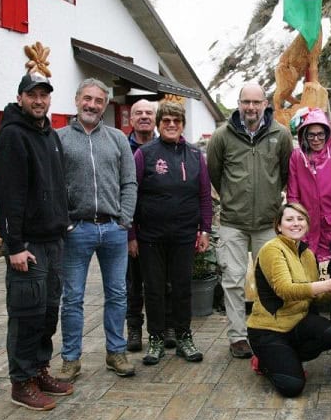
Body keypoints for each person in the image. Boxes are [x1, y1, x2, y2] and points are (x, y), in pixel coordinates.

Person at [0, 73, 73, 411]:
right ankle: (21, 381)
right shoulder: (13, 136)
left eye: (44, 95)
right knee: (26, 313)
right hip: (28, 246)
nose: (39, 101)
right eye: (33, 95)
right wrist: (14, 246)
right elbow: (7, 196)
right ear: (20, 97)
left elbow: (56, 184)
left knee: (47, 311)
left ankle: (40, 370)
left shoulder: (49, 135)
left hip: (53, 241)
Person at [56, 78, 137, 381]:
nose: (92, 105)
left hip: (113, 229)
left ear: (104, 105)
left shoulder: (117, 138)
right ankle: (70, 359)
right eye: (87, 99)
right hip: (77, 230)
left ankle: (116, 352)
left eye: (98, 100)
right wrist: (66, 223)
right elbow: (53, 185)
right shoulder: (59, 138)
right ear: (77, 100)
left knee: (117, 294)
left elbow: (129, 182)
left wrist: (124, 220)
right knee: (73, 297)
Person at [207, 82, 293, 359]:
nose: (251, 108)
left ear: (266, 104)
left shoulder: (280, 135)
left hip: (268, 223)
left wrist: (269, 201)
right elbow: (215, 174)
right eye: (247, 102)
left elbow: (285, 173)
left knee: (270, 280)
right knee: (232, 280)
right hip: (233, 221)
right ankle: (238, 337)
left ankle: (267, 332)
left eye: (257, 102)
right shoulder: (222, 136)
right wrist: (233, 199)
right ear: (239, 103)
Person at [132, 101, 213, 365]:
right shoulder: (144, 154)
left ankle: (184, 337)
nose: (171, 125)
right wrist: (131, 234)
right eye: (166, 120)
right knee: (153, 289)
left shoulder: (194, 155)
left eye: (176, 121)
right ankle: (155, 339)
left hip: (184, 234)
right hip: (151, 236)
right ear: (159, 124)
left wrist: (205, 230)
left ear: (182, 125)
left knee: (182, 288)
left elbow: (203, 195)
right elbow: (131, 195)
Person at [247, 203, 331, 397]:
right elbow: (285, 290)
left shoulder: (307, 253)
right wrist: (327, 285)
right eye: (289, 220)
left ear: (307, 224)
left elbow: (313, 294)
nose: (295, 224)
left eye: (300, 219)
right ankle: (265, 360)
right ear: (278, 226)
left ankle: (287, 358)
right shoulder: (272, 249)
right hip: (268, 330)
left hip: (297, 323)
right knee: (292, 387)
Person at [285, 107, 331, 327]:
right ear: (303, 134)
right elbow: (293, 196)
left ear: (328, 134)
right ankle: (312, 324)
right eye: (311, 134)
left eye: (320, 134)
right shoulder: (297, 157)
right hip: (307, 229)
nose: (316, 139)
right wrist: (298, 230)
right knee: (308, 277)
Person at [125, 99, 159, 353]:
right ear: (131, 119)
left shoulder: (166, 146)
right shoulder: (122, 147)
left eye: (149, 112)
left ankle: (165, 328)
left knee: (162, 283)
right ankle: (134, 329)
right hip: (131, 228)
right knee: (132, 284)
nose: (145, 116)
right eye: (139, 113)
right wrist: (129, 233)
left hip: (159, 229)